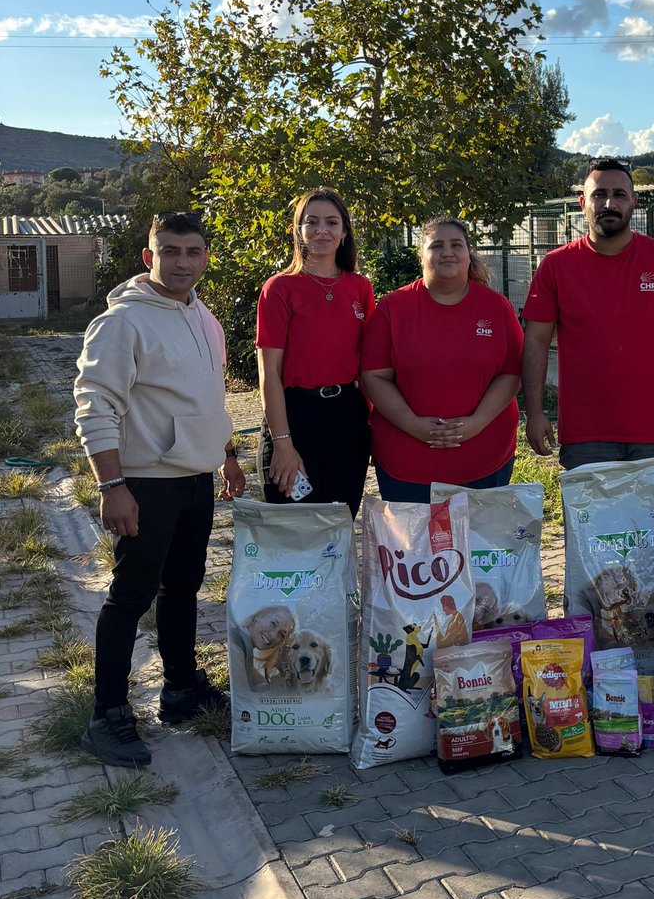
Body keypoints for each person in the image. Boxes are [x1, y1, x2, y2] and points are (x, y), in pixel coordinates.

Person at [74, 212, 245, 768]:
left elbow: (207, 401)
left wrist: (225, 456)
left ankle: (180, 692)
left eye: (193, 252)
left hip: (195, 481)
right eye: (170, 251)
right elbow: (95, 405)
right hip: (145, 483)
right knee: (130, 596)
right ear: (149, 257)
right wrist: (113, 485)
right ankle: (108, 716)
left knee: (183, 590)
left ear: (205, 258)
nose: (182, 262)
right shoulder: (123, 322)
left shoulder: (204, 317)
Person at [522, 157, 654, 471]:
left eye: (619, 195)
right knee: (591, 522)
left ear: (633, 202)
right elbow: (535, 343)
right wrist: (535, 413)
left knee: (653, 521)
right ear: (583, 202)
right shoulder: (556, 266)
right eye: (599, 194)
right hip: (586, 436)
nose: (609, 203)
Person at [360, 217, 522, 502]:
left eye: (456, 244)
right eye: (437, 245)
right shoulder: (392, 308)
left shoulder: (496, 307)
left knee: (476, 545)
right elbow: (374, 376)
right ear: (422, 255)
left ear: (468, 254)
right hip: (407, 465)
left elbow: (511, 373)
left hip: (485, 459)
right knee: (413, 548)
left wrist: (476, 423)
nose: (448, 252)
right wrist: (414, 425)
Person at [255, 187, 374, 516]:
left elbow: (370, 367)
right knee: (297, 534)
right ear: (298, 230)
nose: (323, 230)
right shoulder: (279, 288)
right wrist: (283, 443)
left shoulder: (360, 288)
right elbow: (269, 374)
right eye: (313, 222)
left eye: (332, 222)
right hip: (295, 418)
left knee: (338, 529)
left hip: (347, 420)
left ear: (344, 232)